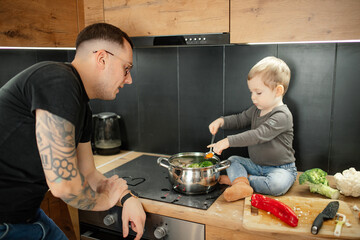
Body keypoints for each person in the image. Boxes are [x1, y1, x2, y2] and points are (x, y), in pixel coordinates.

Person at [0, 23, 146, 240]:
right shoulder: (59, 81)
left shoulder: (81, 106)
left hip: (26, 217)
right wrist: (106, 202)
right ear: (102, 59)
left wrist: (126, 198)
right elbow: (63, 185)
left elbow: (89, 173)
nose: (129, 79)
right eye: (127, 68)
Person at [208, 56, 297, 202]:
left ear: (278, 90)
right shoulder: (256, 109)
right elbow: (239, 119)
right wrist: (221, 121)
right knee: (232, 160)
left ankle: (239, 181)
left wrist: (228, 141)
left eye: (259, 93)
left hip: (281, 169)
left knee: (277, 185)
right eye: (251, 92)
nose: (253, 98)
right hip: (256, 165)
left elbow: (258, 135)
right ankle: (241, 183)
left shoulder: (282, 115)